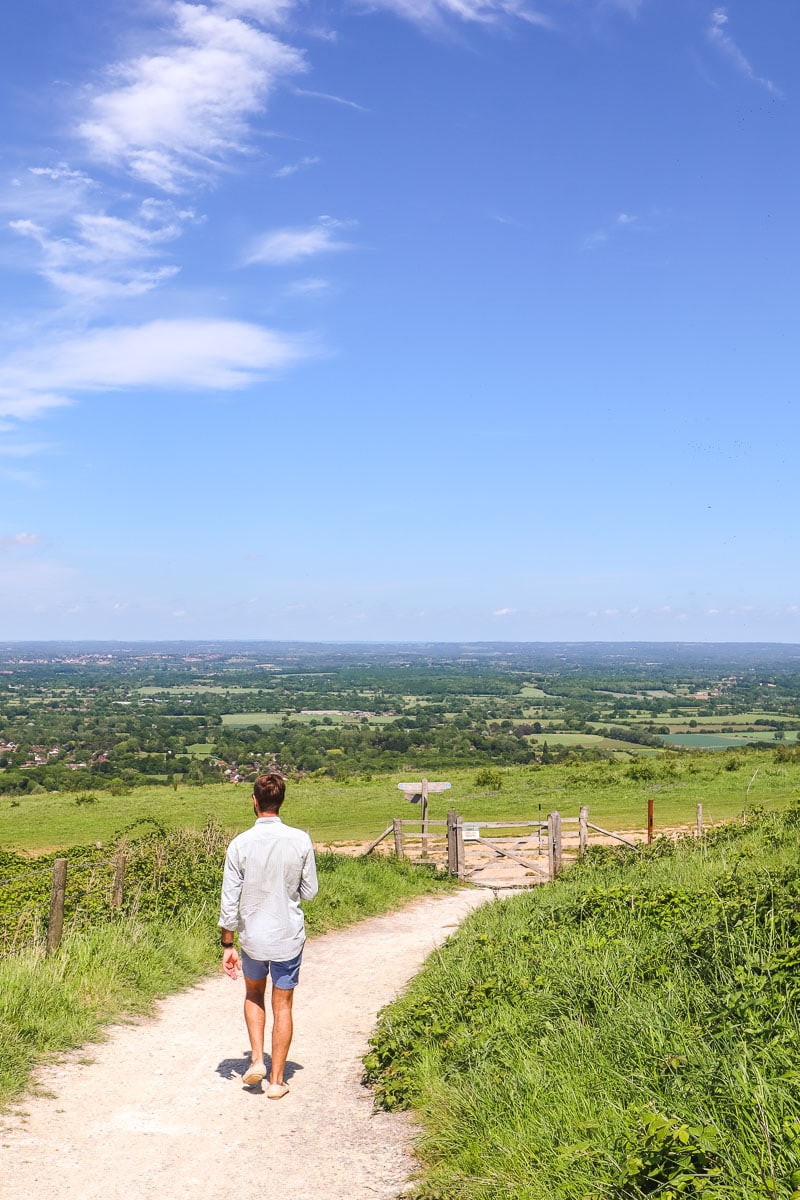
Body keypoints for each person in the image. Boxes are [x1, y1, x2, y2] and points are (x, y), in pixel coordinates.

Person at [219, 772, 318, 1098]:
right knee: (284, 1005)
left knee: (253, 994)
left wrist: (228, 944)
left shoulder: (240, 844)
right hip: (288, 935)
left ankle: (256, 1060)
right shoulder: (300, 840)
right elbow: (310, 891)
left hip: (252, 939)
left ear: (255, 801)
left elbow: (229, 901)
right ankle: (277, 1080)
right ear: (281, 801)